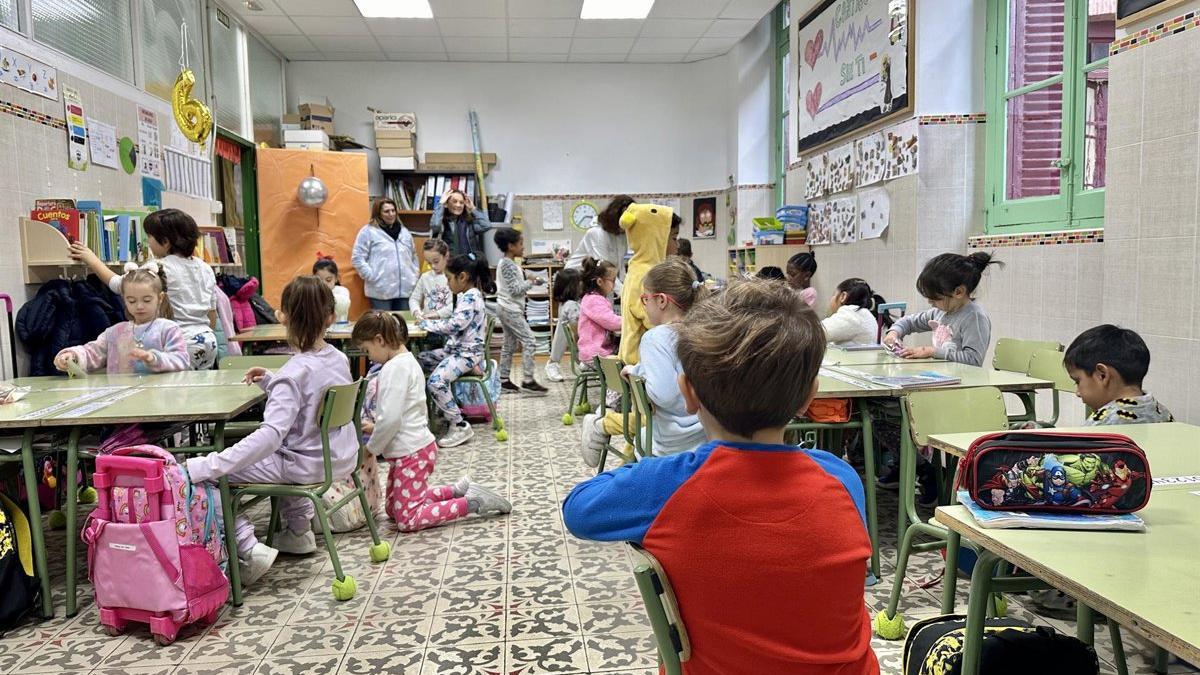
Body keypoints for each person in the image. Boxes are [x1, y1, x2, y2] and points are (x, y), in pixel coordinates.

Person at [563, 279, 877, 675]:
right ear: (808, 397)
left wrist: (649, 469)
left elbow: (577, 509)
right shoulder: (842, 477)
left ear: (688, 393)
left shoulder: (667, 485)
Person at [185, 276, 354, 585]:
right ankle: (298, 532)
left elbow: (270, 436)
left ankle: (248, 548)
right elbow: (312, 391)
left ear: (283, 316)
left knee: (212, 477)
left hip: (302, 465)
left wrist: (210, 463)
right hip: (336, 458)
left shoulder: (294, 373)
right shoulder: (339, 358)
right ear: (331, 317)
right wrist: (273, 381)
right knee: (288, 446)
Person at [352, 311, 511, 532]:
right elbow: (404, 411)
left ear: (380, 340)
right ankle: (454, 491)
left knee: (407, 520)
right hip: (413, 449)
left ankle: (472, 503)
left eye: (367, 350)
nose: (368, 357)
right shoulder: (407, 360)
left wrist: (371, 449)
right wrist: (377, 427)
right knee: (392, 509)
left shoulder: (393, 369)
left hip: (411, 453)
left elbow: (390, 420)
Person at [70, 208, 219, 370]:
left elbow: (119, 284)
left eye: (149, 237)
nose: (148, 242)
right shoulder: (205, 267)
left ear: (165, 241)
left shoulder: (159, 267)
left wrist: (92, 260)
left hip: (178, 343)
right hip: (208, 341)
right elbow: (212, 315)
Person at [613, 258, 709, 459]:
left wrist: (636, 373)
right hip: (709, 435)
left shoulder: (655, 338)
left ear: (662, 300)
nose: (644, 305)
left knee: (641, 440)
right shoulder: (705, 330)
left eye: (645, 299)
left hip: (674, 444)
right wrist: (639, 369)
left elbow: (664, 395)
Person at [53, 265, 189, 375]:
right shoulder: (115, 332)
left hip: (159, 399)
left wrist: (153, 358)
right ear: (124, 299)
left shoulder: (168, 329)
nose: (139, 306)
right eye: (132, 301)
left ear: (160, 298)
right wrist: (72, 356)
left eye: (147, 300)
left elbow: (181, 360)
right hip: (123, 399)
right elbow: (92, 352)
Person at [417, 255, 493, 448]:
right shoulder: (465, 295)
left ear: (463, 277)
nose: (448, 283)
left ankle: (459, 424)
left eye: (449, 278)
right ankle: (430, 413)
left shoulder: (471, 296)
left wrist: (427, 324)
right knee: (418, 361)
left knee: (436, 382)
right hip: (457, 351)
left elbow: (455, 325)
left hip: (466, 354)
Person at [884, 252, 1001, 366]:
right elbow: (909, 322)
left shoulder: (974, 318)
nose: (930, 302)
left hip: (964, 380)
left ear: (958, 292)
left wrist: (932, 351)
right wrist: (894, 333)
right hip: (943, 377)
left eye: (935, 298)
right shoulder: (940, 312)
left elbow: (973, 360)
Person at [1066, 325, 1174, 426]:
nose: (1078, 393)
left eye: (1077, 381)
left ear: (1102, 375)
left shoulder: (1101, 424)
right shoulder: (1163, 413)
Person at [493, 228, 549, 394]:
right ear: (510, 246)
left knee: (509, 345)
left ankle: (503, 380)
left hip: (506, 307)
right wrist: (532, 283)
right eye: (520, 244)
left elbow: (517, 282)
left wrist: (531, 279)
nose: (523, 247)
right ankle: (528, 379)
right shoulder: (508, 265)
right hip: (509, 308)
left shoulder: (509, 264)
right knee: (530, 340)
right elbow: (516, 290)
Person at [352, 197, 419, 311]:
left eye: (393, 210)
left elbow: (413, 255)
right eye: (386, 211)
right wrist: (372, 276)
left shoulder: (404, 232)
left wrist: (414, 274)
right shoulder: (368, 231)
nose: (391, 214)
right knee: (383, 326)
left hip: (406, 290)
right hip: (380, 291)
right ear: (378, 213)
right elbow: (357, 258)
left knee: (404, 325)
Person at [565, 195, 633, 289]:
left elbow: (619, 265)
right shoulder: (596, 233)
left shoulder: (622, 234)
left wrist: (626, 287)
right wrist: (623, 293)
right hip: (576, 280)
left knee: (605, 302)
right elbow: (603, 267)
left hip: (602, 280)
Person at [576, 258, 622, 367]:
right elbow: (611, 322)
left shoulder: (592, 298)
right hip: (595, 355)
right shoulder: (594, 300)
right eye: (613, 280)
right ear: (600, 282)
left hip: (593, 353)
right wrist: (630, 320)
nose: (614, 285)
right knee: (628, 362)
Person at [543, 268, 583, 382]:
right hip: (586, 350)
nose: (582, 284)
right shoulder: (571, 306)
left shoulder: (567, 304)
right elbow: (577, 334)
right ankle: (553, 362)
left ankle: (553, 362)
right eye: (579, 282)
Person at [823, 278, 891, 346]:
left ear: (843, 296)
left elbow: (818, 333)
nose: (831, 299)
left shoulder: (851, 314)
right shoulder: (864, 314)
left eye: (834, 294)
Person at [430, 188, 490, 259]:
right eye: (454, 201)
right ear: (447, 204)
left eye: (461, 202)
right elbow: (435, 225)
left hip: (468, 264)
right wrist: (441, 203)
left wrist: (472, 208)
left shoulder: (469, 222)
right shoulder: (441, 222)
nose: (458, 205)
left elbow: (486, 225)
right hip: (448, 263)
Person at [411, 239, 453, 322]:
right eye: (429, 263)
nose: (433, 266)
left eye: (436, 261)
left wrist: (437, 314)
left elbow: (458, 303)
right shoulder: (425, 277)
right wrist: (417, 312)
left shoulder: (454, 277)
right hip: (428, 325)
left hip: (448, 326)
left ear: (446, 256)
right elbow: (414, 298)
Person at [313, 253, 352, 321]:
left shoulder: (342, 291)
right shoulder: (313, 291)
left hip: (339, 329)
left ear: (336, 278)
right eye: (319, 280)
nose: (324, 284)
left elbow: (343, 305)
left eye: (328, 280)